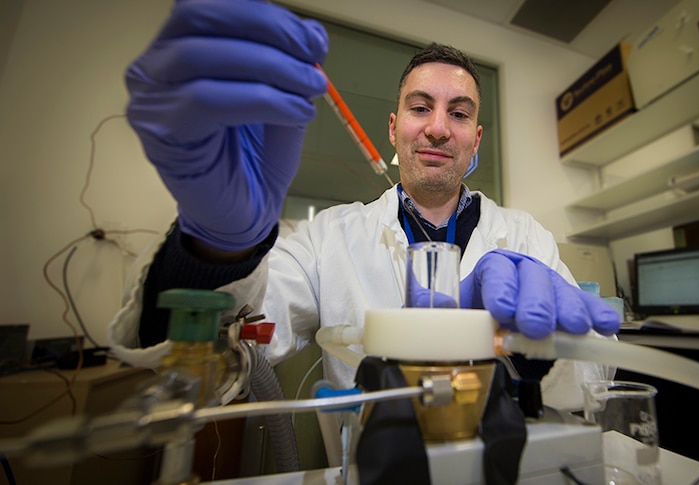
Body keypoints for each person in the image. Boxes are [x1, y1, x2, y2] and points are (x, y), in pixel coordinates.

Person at [108, 0, 620, 400]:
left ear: (476, 140)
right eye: (421, 108)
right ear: (394, 131)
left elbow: (598, 372)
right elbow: (221, 354)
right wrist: (218, 247)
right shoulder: (330, 237)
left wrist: (530, 348)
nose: (439, 128)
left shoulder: (525, 235)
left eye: (459, 114)